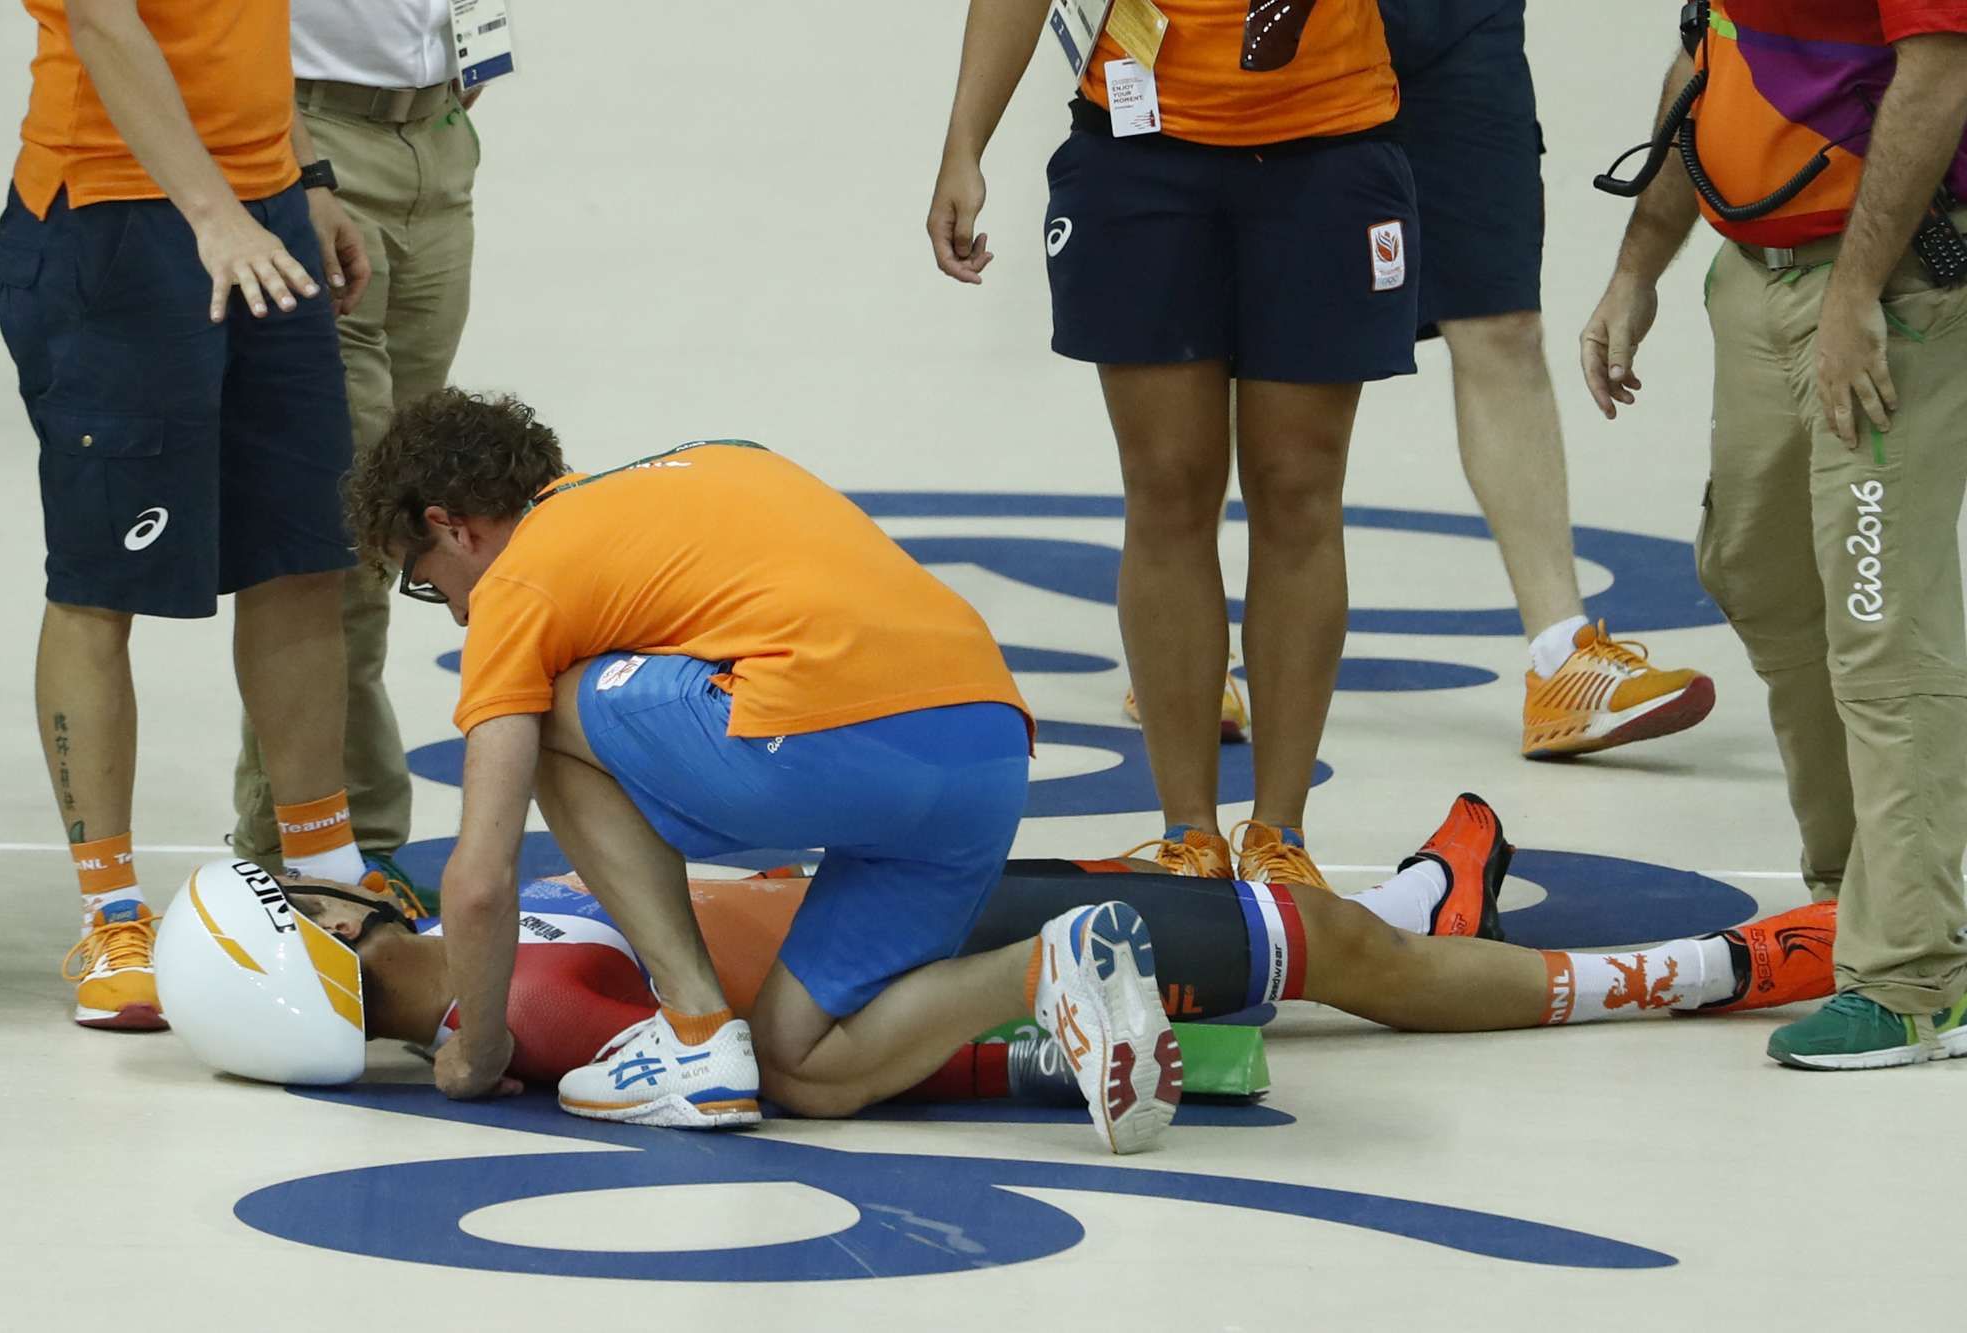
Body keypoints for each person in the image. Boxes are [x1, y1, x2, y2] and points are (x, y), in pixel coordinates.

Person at [340, 388, 1180, 1154]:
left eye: (422, 579)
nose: (448, 605)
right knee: (801, 1065)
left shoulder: (516, 582)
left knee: (540, 709)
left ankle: (698, 1034)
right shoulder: (721, 456)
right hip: (989, 747)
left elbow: (482, 879)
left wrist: (478, 1052)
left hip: (831, 742)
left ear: (454, 526)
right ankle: (1050, 966)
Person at [154, 794, 1842, 1102]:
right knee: (1311, 942)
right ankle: (1715, 968)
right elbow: (755, 1070)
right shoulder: (516, 1000)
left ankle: (1420, 908)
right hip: (930, 950)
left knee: (1270, 911)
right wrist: (1031, 1048)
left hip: (899, 902)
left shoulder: (492, 964)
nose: (340, 881)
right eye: (307, 901)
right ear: (319, 949)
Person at [927, 0, 1418, 884]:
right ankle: (1188, 832)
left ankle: (1282, 834)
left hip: (1330, 143)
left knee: (1299, 486)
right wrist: (966, 140)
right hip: (1137, 149)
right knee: (1166, 484)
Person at [1580, 1, 1967, 1068]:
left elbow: (1939, 73)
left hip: (1890, 284)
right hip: (1754, 269)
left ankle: (1914, 980)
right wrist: (1636, 265)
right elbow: (1709, 52)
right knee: (1755, 569)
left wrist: (1853, 292)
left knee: (1880, 615)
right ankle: (1853, 897)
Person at [0, 0, 376, 1030]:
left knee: (302, 553)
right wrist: (212, 212)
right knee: (98, 581)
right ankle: (111, 912)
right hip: (114, 222)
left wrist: (303, 180)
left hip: (259, 209)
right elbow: (107, 25)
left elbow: (250, 36)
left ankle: (324, 871)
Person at [1378, 0, 1715, 759]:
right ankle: (1187, 641)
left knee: (1501, 320)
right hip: (1263, 30)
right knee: (1258, 343)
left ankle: (1560, 656)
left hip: (1458, 23)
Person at [231, 0, 490, 884]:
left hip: (439, 135)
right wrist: (298, 160)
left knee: (401, 518)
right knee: (333, 537)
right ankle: (318, 851)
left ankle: (344, 841)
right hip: (311, 147)